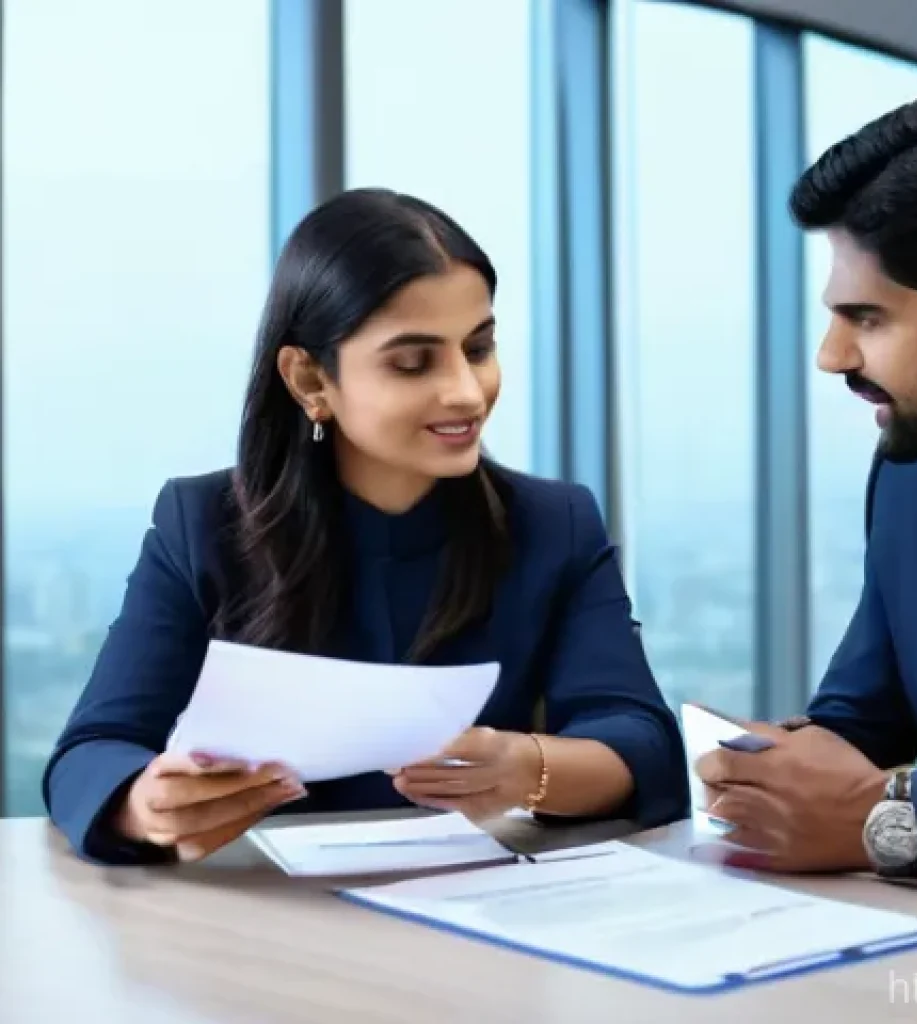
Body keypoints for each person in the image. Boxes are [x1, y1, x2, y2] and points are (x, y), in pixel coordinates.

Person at [44, 187, 687, 865]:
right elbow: (92, 752)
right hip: (262, 922)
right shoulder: (201, 524)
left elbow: (642, 741)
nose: (467, 391)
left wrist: (526, 766)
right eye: (413, 362)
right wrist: (145, 806)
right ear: (310, 380)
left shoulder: (555, 524)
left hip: (480, 918)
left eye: (478, 347)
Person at [696, 85, 917, 893]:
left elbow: (870, 797)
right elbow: (860, 723)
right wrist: (761, 769)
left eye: (867, 318)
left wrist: (891, 818)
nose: (832, 356)